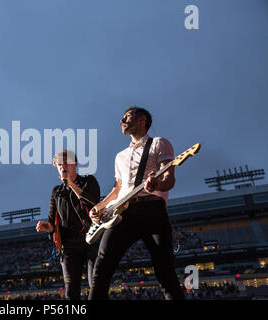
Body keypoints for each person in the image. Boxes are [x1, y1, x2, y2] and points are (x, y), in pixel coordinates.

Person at [88, 106, 185, 300]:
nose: (122, 120)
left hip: (152, 210)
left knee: (165, 271)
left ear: (142, 120)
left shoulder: (159, 143)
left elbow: (169, 179)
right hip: (123, 212)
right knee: (101, 267)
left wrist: (158, 183)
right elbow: (117, 189)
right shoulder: (120, 156)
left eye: (127, 117)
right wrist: (99, 206)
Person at [36, 149, 100, 300]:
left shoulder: (88, 181)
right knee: (71, 291)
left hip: (92, 239)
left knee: (96, 286)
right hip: (69, 245)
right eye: (59, 164)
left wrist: (71, 184)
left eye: (66, 162)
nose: (62, 166)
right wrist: (48, 227)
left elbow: (94, 203)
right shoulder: (56, 192)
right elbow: (52, 222)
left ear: (75, 164)